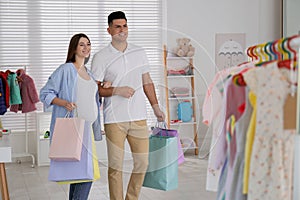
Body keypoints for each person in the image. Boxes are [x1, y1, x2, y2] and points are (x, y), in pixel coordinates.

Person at [91, 11, 165, 200]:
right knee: (115, 167)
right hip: (114, 119)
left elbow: (147, 80)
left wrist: (156, 107)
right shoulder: (101, 57)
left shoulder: (139, 52)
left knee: (142, 163)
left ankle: (131, 198)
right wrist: (117, 90)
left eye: (124, 26)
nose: (122, 30)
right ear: (109, 30)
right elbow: (96, 89)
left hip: (139, 117)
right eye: (117, 26)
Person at [40, 33, 103, 200]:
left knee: (79, 175)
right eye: (82, 44)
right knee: (85, 175)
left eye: (88, 44)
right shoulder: (66, 69)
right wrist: (63, 102)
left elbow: (93, 100)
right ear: (74, 48)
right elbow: (45, 93)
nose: (86, 48)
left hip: (87, 130)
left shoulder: (90, 74)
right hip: (74, 130)